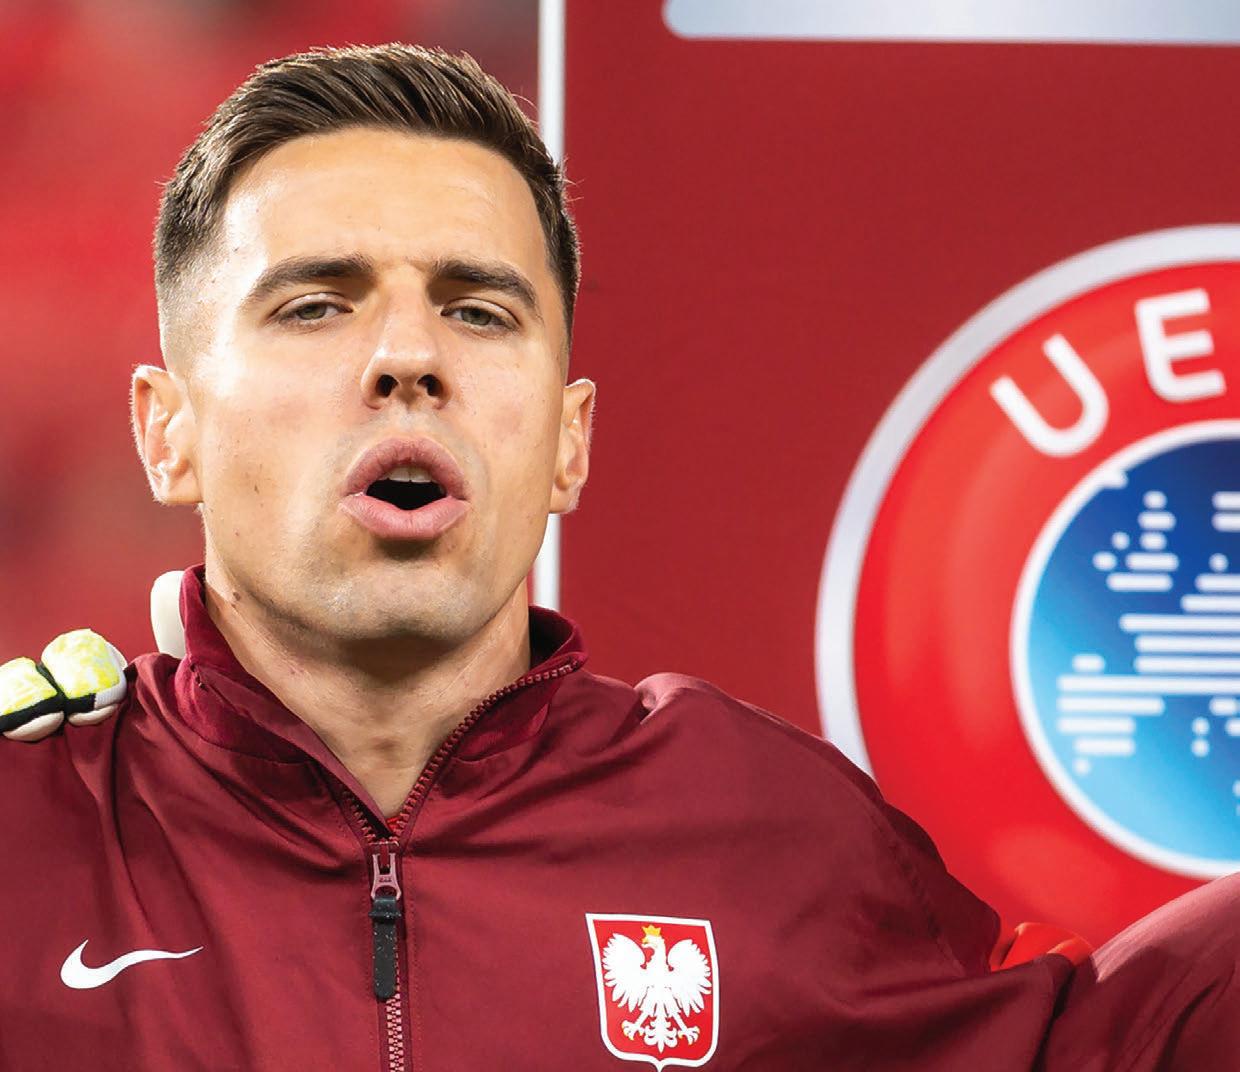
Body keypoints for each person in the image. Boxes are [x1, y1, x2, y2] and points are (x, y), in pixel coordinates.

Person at [2, 42, 1238, 1072]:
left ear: (568, 444)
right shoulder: (24, 832)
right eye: (316, 304)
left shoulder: (770, 829)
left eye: (478, 310)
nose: (407, 358)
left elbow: (1099, 1045)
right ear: (166, 431)